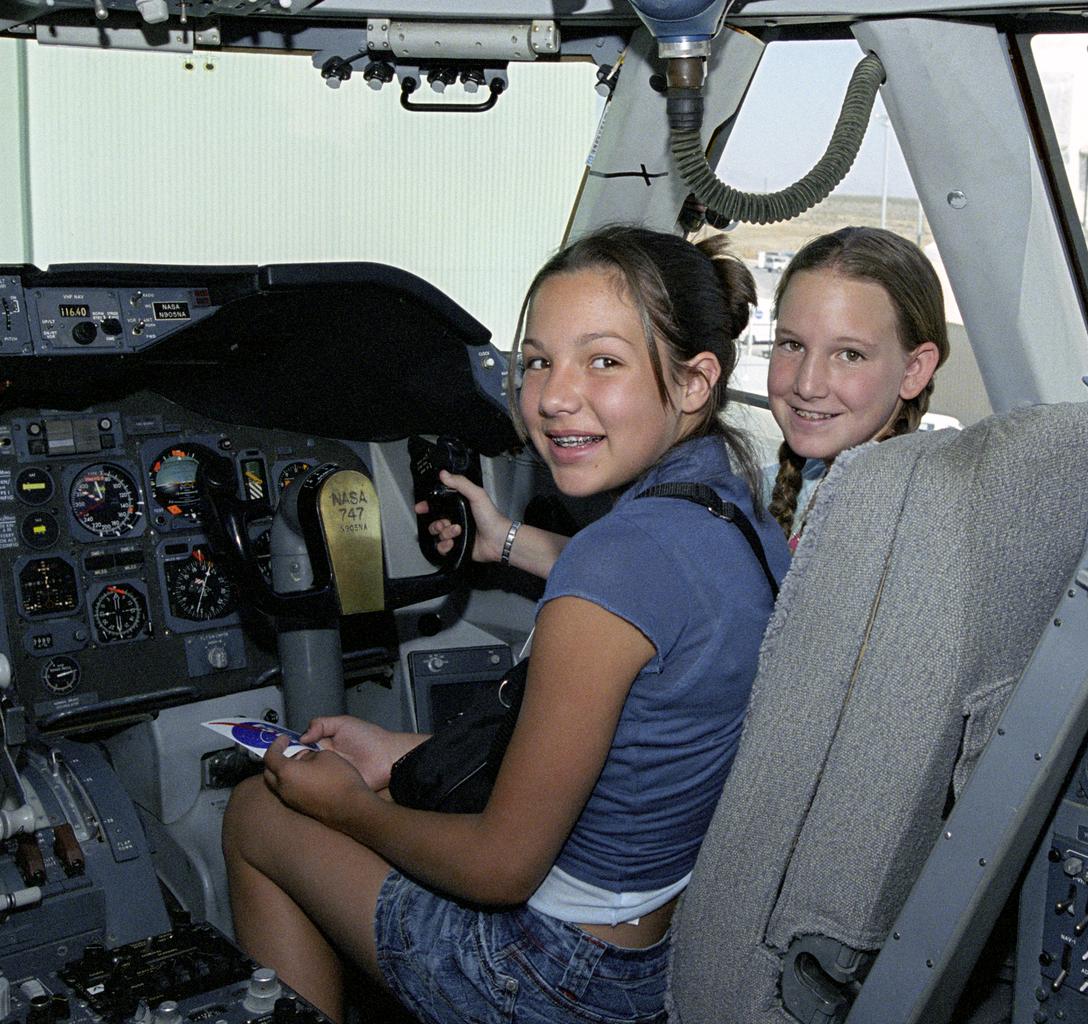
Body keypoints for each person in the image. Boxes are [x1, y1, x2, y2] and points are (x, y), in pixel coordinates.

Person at [221, 225, 790, 1024]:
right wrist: (398, 749)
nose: (554, 395)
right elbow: (632, 732)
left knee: (258, 813)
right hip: (649, 945)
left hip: (552, 976)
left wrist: (345, 805)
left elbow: (499, 870)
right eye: (537, 360)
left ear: (695, 382)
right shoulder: (734, 515)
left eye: (604, 361)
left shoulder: (614, 565)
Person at [763, 226, 949, 549]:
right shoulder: (769, 488)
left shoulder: (920, 533)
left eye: (850, 355)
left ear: (913, 370)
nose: (807, 385)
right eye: (792, 345)